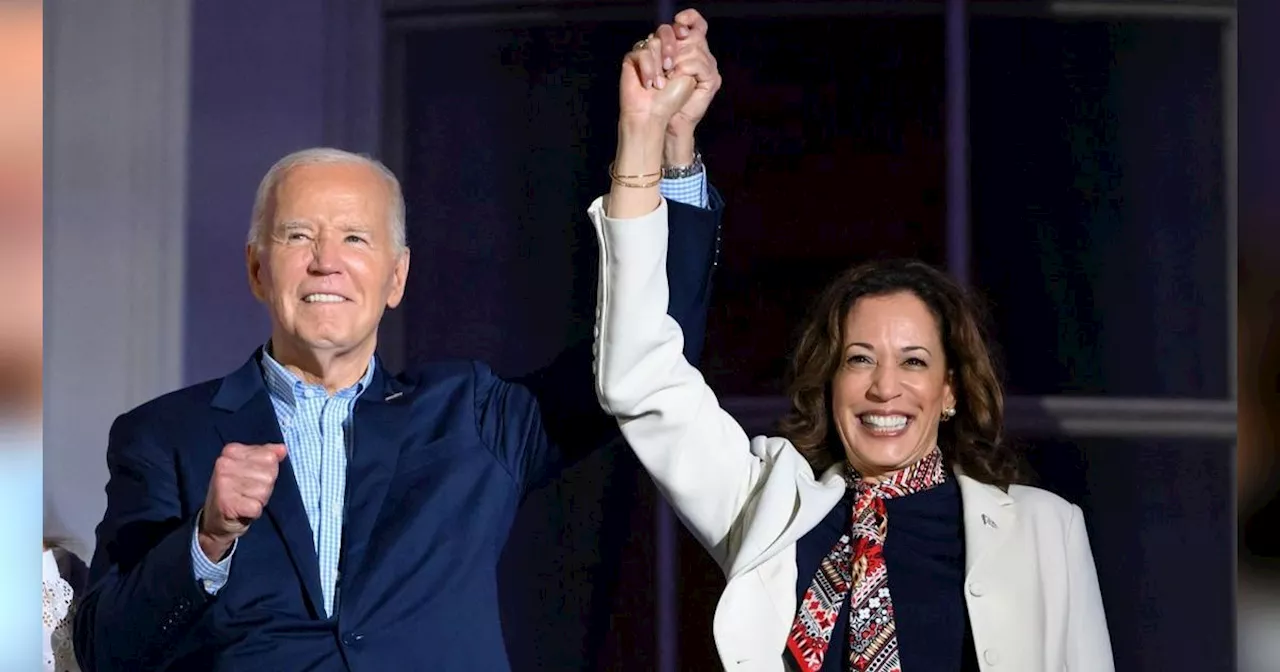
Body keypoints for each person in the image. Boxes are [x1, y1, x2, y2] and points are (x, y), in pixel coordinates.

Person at [74, 14, 721, 671]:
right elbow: (102, 651)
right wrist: (207, 540)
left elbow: (650, 356)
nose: (326, 260)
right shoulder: (163, 436)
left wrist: (664, 149)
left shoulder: (472, 417)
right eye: (299, 236)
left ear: (397, 276)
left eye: (355, 238)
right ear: (256, 269)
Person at [589, 57, 1115, 671]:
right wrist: (643, 134)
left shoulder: (1044, 530)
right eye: (859, 359)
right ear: (832, 382)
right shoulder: (770, 503)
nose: (885, 388)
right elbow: (640, 376)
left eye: (913, 362)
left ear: (950, 390)